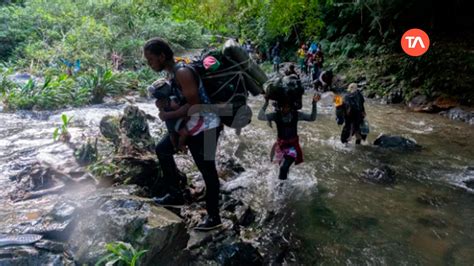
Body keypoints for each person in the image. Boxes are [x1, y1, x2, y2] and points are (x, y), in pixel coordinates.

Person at [144, 37, 223, 231]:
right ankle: (174, 193)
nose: (149, 64)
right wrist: (173, 126)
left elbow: (196, 105)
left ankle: (214, 217)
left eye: (151, 59)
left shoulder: (183, 72)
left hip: (209, 127)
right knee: (162, 149)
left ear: (162, 56)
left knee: (208, 171)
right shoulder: (172, 73)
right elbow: (182, 102)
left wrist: (175, 122)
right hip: (194, 124)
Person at [258, 81, 320, 180]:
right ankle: (285, 184)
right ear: (279, 106)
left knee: (283, 168)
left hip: (292, 147)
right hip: (281, 145)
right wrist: (265, 103)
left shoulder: (296, 115)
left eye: (287, 106)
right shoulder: (275, 115)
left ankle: (280, 190)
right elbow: (260, 117)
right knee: (281, 167)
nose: (285, 108)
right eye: (283, 106)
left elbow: (312, 118)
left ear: (291, 107)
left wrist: (314, 104)